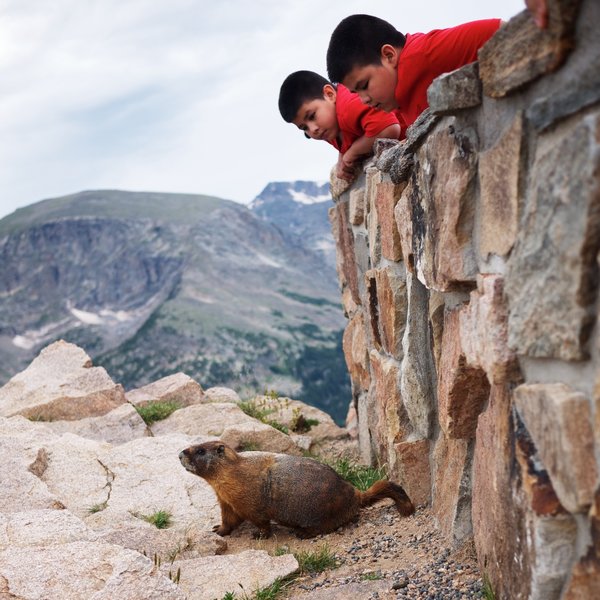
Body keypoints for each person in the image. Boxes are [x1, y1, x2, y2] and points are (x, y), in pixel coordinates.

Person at [326, 15, 502, 130]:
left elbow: (499, 29)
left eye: (364, 85)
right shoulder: (395, 98)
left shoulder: (424, 54)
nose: (363, 100)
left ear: (388, 56)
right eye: (356, 93)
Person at [278, 70, 401, 181]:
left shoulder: (349, 105)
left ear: (329, 94)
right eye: (304, 128)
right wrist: (342, 155)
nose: (313, 129)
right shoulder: (329, 128)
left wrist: (353, 152)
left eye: (312, 116)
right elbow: (347, 137)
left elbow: (389, 128)